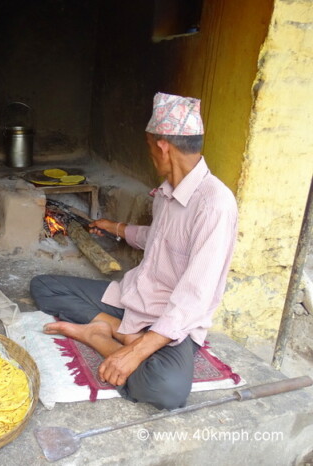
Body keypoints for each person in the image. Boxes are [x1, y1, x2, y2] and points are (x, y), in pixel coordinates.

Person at [30, 92, 238, 410]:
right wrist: (114, 227)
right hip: (135, 297)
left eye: (148, 146)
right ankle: (110, 329)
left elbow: (196, 296)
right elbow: (158, 238)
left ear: (161, 146)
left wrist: (136, 351)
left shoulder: (214, 205)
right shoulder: (167, 191)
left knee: (166, 391)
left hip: (170, 320)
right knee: (44, 287)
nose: (150, 155)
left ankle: (98, 336)